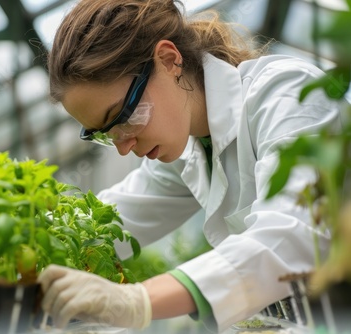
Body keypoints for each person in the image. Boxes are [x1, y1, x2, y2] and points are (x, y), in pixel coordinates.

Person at [37, 0, 343, 332]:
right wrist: (10, 237)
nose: (124, 147)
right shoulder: (191, 145)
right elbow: (112, 219)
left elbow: (292, 234)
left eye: (122, 118)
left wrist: (140, 301)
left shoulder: (287, 94)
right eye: (105, 135)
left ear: (169, 60)